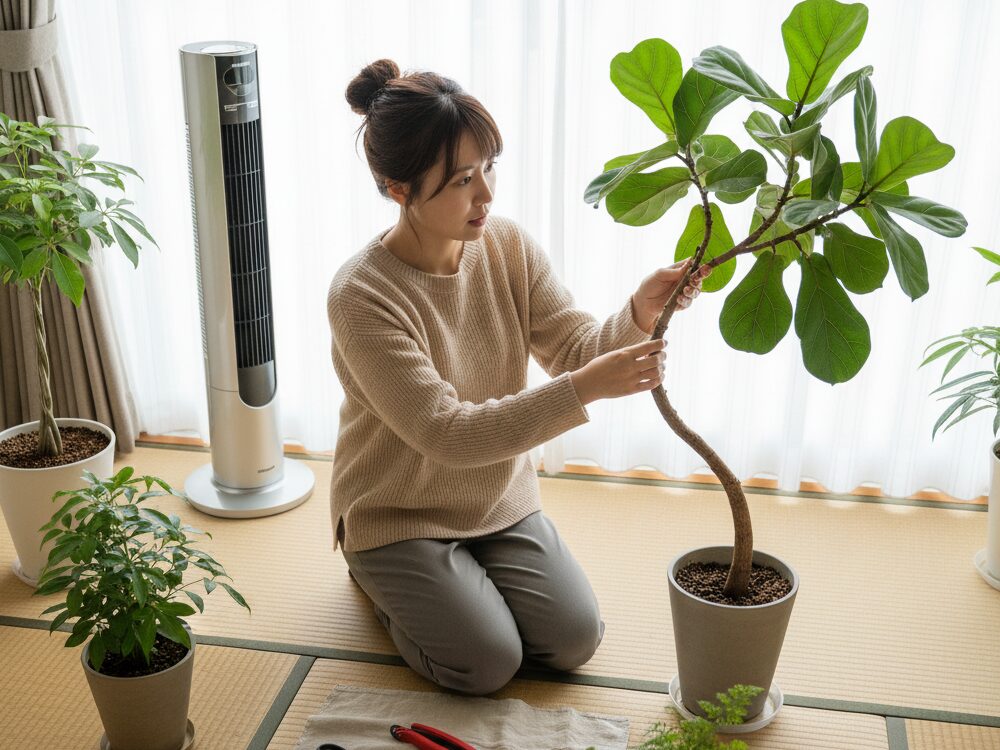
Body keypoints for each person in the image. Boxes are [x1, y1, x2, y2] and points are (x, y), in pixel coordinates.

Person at [329, 59, 708, 696]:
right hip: (398, 509)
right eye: (460, 180)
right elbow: (445, 434)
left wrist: (639, 312)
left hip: (496, 499)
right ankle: (375, 577)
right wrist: (585, 389)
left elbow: (575, 347)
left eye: (489, 168)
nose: (487, 195)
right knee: (486, 664)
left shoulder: (506, 246)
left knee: (575, 640)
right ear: (399, 189)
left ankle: (462, 584)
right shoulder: (361, 296)